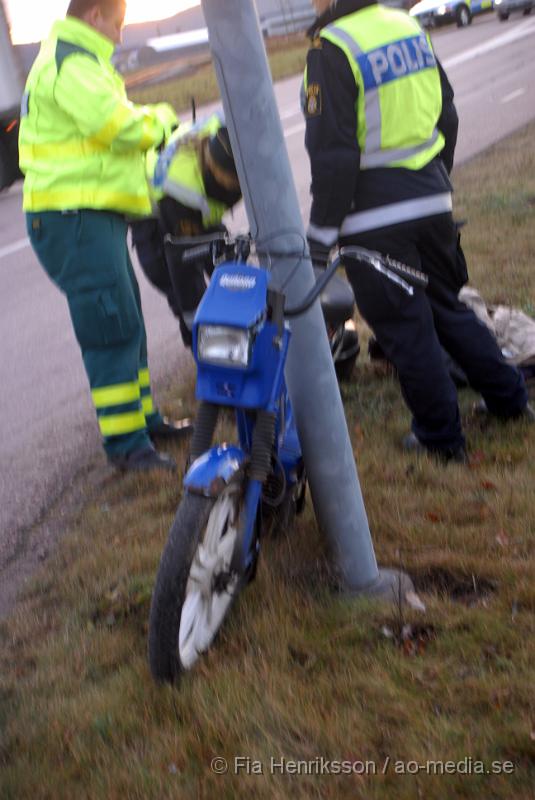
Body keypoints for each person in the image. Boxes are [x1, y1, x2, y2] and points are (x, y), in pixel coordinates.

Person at [303, 0, 533, 462]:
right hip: (432, 201)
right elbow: (447, 115)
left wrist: (320, 235)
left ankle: (440, 438)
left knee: (407, 330)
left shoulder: (332, 48)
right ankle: (510, 401)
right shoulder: (408, 27)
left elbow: (335, 155)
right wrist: (435, 180)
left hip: (374, 219)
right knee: (448, 308)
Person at [19, 0, 193, 473]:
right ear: (94, 15)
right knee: (110, 327)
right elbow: (117, 127)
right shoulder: (72, 63)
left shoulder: (80, 60)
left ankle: (143, 422)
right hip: (73, 215)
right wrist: (160, 119)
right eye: (117, 24)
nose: (120, 35)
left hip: (87, 214)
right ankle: (126, 446)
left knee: (126, 321)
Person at [130, 112, 242, 347]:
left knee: (229, 269)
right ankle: (203, 350)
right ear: (217, 174)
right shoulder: (182, 189)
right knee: (187, 292)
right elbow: (184, 270)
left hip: (192, 199)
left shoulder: (223, 131)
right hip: (154, 219)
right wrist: (196, 325)